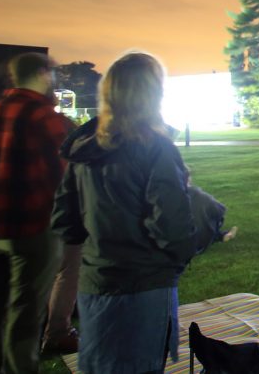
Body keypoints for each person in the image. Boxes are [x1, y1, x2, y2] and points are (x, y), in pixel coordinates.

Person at [50, 52, 197, 373]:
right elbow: (172, 227)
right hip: (144, 283)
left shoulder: (83, 148)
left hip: (96, 282)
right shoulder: (155, 148)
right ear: (152, 93)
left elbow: (65, 221)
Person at [0, 52, 73, 374]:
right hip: (33, 228)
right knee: (25, 314)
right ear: (42, 74)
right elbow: (65, 178)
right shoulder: (46, 118)